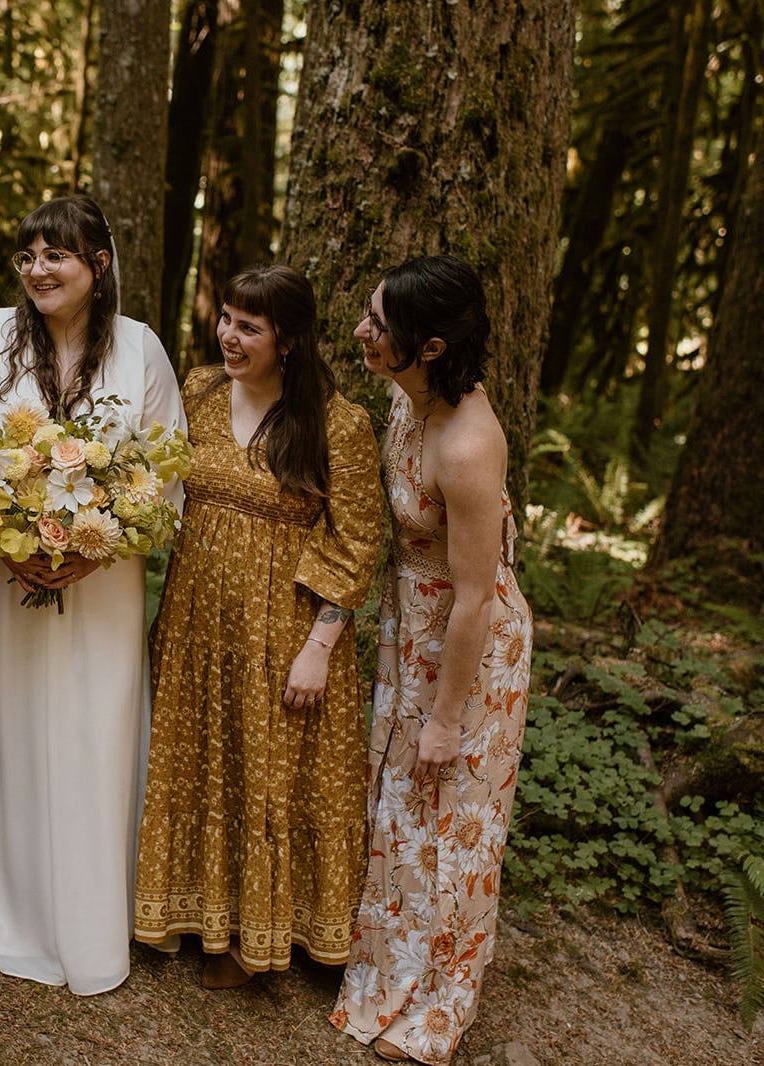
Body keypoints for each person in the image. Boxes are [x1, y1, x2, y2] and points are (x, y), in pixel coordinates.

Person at [0, 195, 186, 995]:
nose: (38, 270)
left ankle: (87, 912)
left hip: (102, 579)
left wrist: (93, 547)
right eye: (28, 255)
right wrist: (11, 540)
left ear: (98, 265)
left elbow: (164, 474)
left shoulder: (141, 348)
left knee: (90, 726)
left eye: (57, 256)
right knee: (3, 717)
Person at [133, 264, 382, 988]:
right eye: (227, 320)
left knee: (270, 776)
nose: (229, 336)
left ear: (290, 340)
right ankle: (198, 913)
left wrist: (318, 649)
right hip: (195, 620)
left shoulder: (340, 424)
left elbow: (356, 541)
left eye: (250, 326)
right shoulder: (200, 391)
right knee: (204, 763)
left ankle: (262, 937)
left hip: (285, 629)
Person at [330, 255, 533, 1065]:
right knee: (403, 810)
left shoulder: (470, 445)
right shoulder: (405, 395)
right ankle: (387, 966)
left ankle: (437, 1001)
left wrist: (448, 716)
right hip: (410, 622)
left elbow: (478, 598)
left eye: (380, 326)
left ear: (433, 346)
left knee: (451, 816)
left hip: (467, 644)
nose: (362, 332)